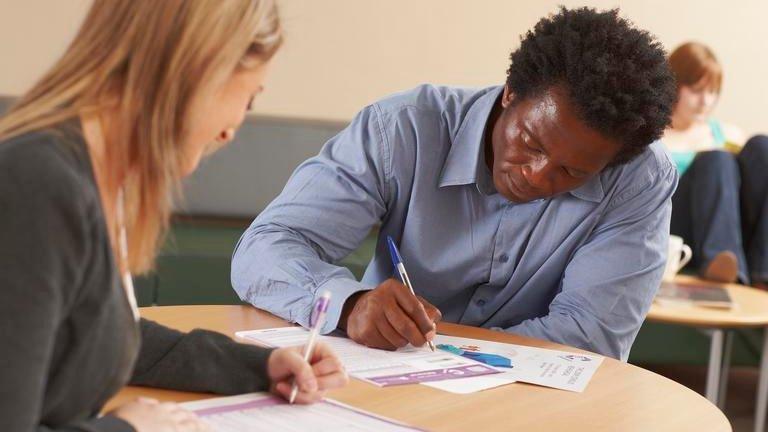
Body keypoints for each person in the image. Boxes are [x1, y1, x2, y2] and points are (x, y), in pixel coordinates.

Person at [232, 6, 678, 361]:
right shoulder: (402, 130)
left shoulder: (637, 177)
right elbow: (267, 247)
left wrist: (447, 356)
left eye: (573, 173)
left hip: (526, 407)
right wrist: (351, 305)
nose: (537, 174)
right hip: (384, 383)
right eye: (530, 141)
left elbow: (589, 336)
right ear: (510, 93)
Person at [0, 1, 348, 431]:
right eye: (248, 98)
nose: (231, 130)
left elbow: (100, 335)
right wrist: (130, 428)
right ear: (196, 73)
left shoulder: (91, 174)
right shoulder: (37, 187)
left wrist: (259, 366)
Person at [662, 41, 768, 288]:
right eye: (697, 90)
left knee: (763, 147)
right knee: (716, 159)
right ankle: (717, 258)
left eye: (712, 92)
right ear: (675, 85)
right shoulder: (653, 137)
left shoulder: (726, 134)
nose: (705, 102)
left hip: (728, 237)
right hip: (680, 231)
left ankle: (761, 270)